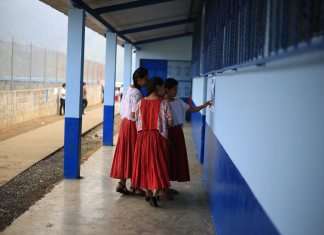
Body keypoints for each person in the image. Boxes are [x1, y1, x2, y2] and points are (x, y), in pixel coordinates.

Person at [132, 77, 173, 207]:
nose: (164, 90)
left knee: (144, 164)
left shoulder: (140, 102)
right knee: (158, 165)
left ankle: (148, 192)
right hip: (158, 138)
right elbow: (171, 122)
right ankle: (155, 194)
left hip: (142, 138)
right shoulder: (164, 103)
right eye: (162, 87)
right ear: (157, 87)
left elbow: (134, 117)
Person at [164, 78, 211, 184]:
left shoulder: (179, 101)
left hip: (178, 132)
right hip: (167, 132)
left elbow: (191, 109)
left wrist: (204, 105)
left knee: (177, 158)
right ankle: (164, 186)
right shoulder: (162, 103)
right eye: (174, 89)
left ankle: (168, 185)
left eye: (176, 89)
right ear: (166, 89)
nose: (176, 91)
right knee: (168, 158)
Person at [110, 67, 148, 195]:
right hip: (132, 125)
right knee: (134, 154)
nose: (147, 81)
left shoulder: (129, 89)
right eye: (145, 79)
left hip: (125, 124)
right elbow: (134, 112)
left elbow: (123, 109)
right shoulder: (137, 93)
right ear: (139, 79)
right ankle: (135, 186)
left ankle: (121, 183)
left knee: (126, 153)